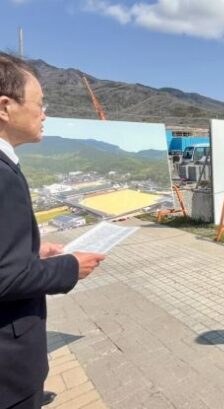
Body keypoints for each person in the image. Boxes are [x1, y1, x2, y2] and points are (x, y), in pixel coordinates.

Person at [0, 53, 106, 409]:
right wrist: (71, 267)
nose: (44, 114)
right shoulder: (2, 176)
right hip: (8, 371)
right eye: (40, 104)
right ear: (5, 107)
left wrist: (32, 251)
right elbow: (5, 278)